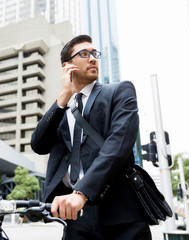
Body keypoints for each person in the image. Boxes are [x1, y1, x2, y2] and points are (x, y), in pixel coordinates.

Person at [30, 35, 151, 239]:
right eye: (84, 54)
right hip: (77, 217)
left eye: (95, 54)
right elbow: (38, 144)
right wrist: (63, 97)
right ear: (67, 66)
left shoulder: (120, 91)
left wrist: (82, 193)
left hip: (121, 212)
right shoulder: (62, 108)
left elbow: (117, 146)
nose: (93, 58)